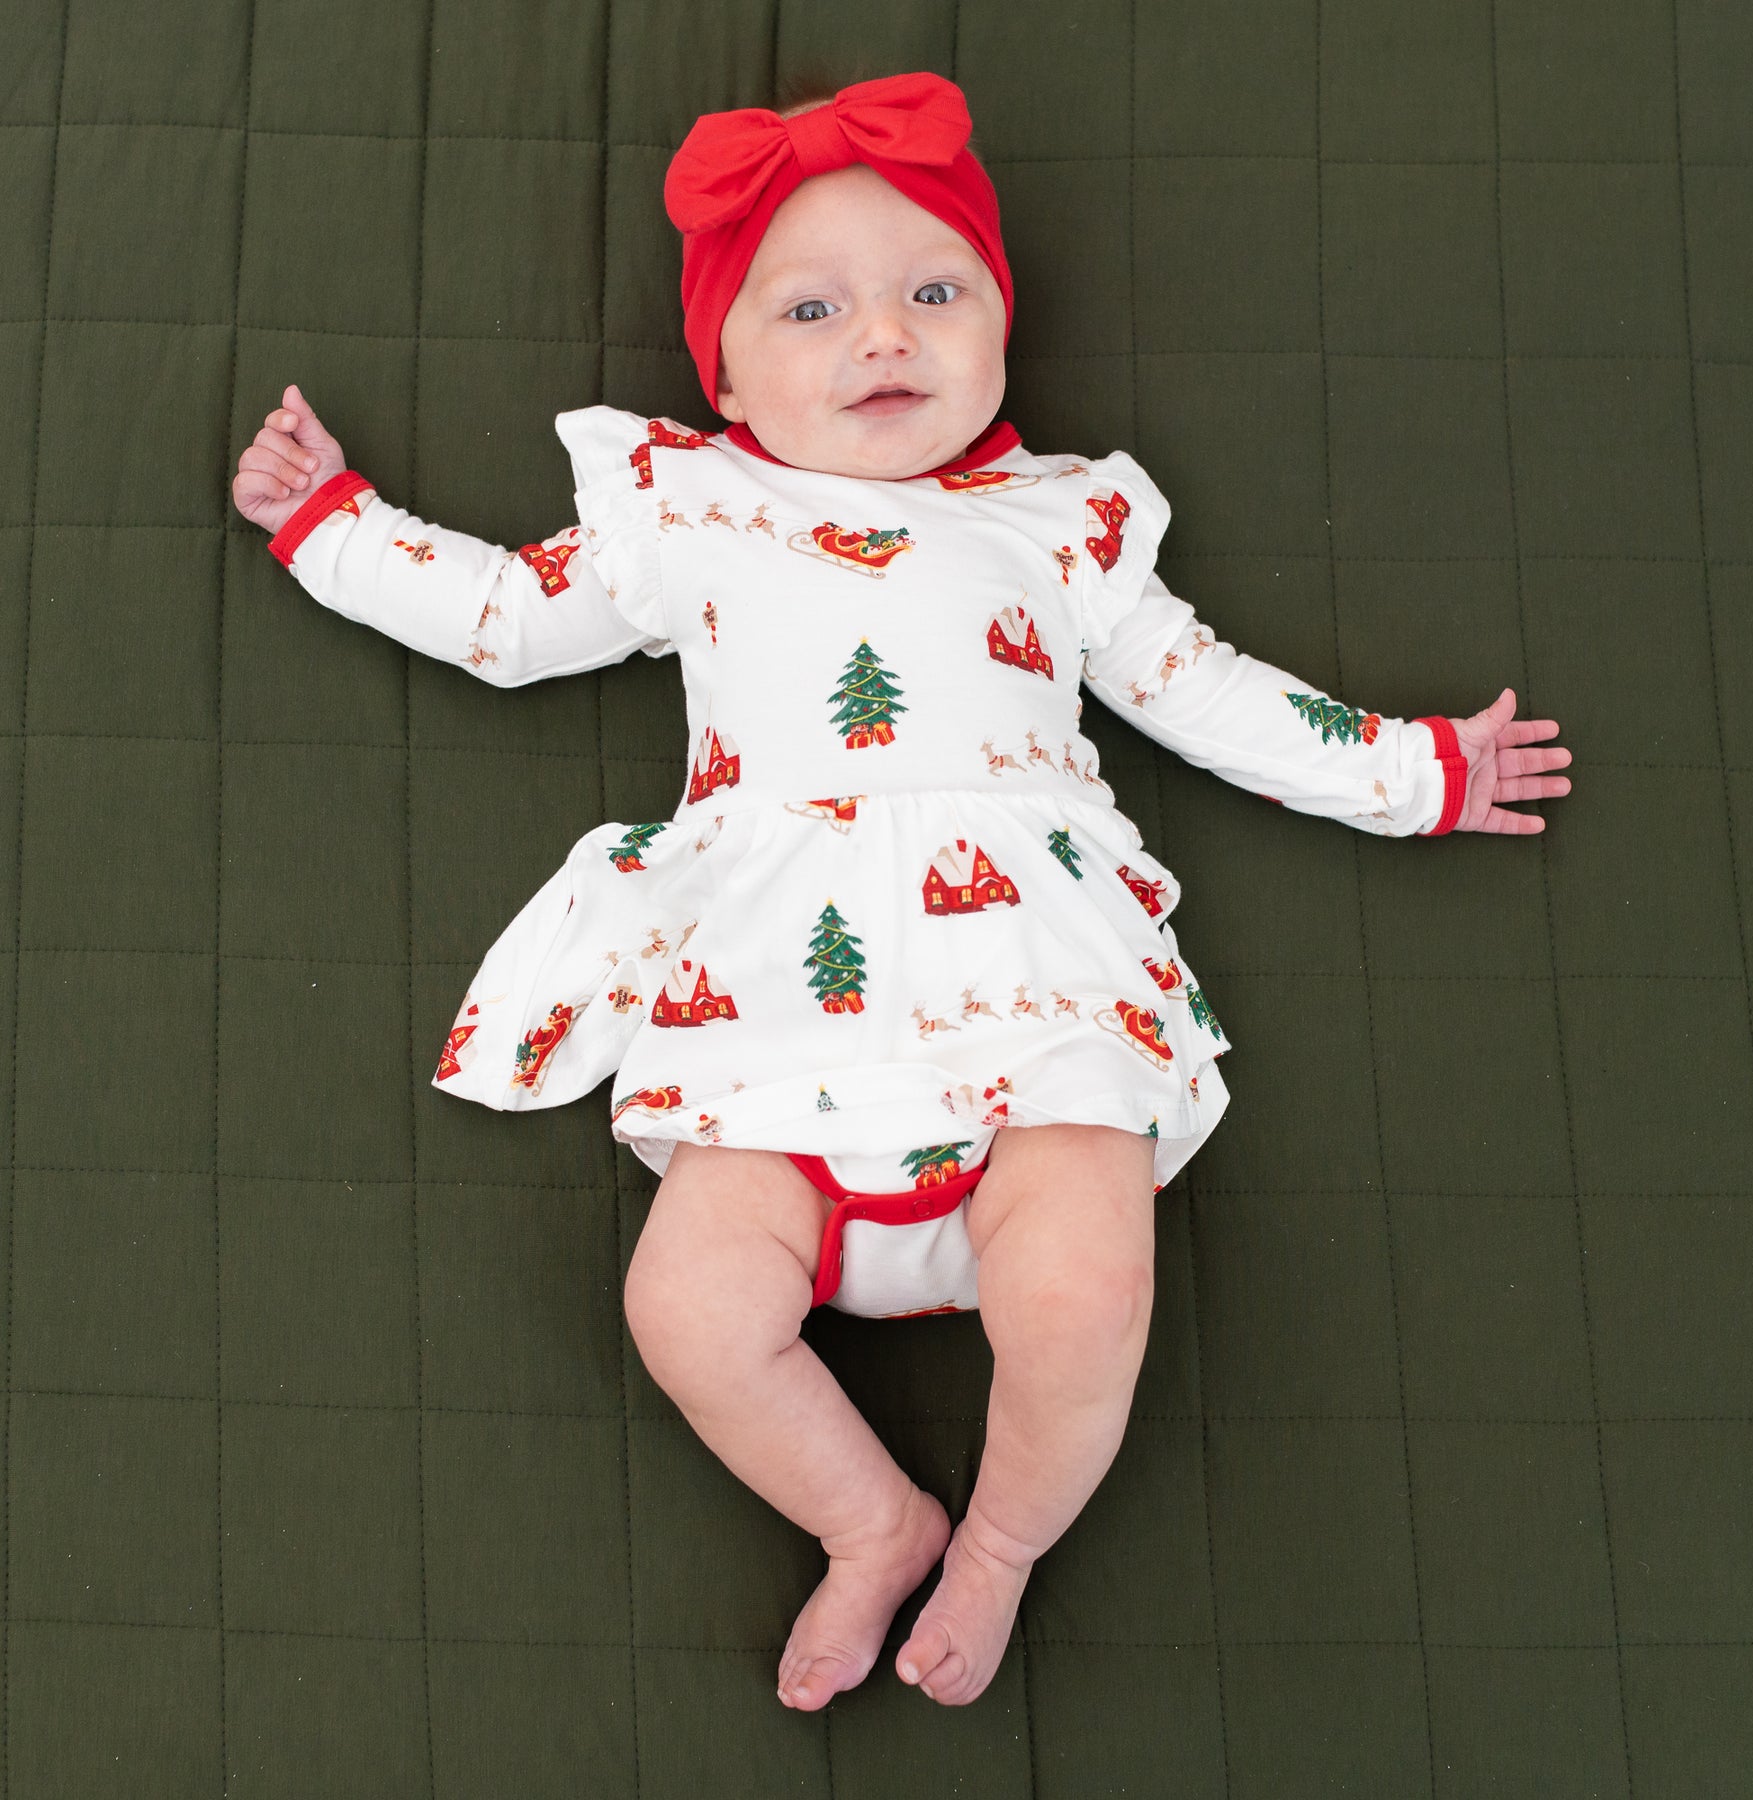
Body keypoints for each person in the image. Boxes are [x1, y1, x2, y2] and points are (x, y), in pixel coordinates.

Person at [231, 70, 1572, 1713]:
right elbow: (510, 618)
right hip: (775, 1031)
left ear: (1002, 327)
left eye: (934, 292)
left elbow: (1211, 694)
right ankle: (871, 1521)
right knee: (685, 1305)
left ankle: (1000, 1547)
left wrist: (1417, 771)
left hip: (1036, 1015)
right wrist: (335, 528)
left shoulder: (1057, 524)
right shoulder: (692, 509)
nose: (882, 336)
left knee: (1085, 1289)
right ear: (725, 375)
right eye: (813, 309)